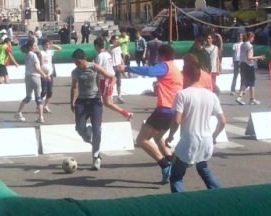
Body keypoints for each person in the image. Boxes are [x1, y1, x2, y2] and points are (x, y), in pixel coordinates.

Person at [166, 62, 227, 193]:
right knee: (203, 169)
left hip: (188, 141)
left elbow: (176, 120)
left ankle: (180, 204)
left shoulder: (182, 95)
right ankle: (220, 196)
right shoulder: (211, 95)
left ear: (185, 76)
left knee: (176, 176)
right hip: (206, 140)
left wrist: (170, 136)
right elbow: (222, 121)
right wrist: (214, 136)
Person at [126, 44, 180, 185]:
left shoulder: (165, 66)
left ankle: (164, 165)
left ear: (162, 55)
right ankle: (171, 160)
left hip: (164, 110)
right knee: (157, 137)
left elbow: (149, 71)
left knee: (141, 140)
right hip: (173, 111)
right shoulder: (175, 68)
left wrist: (127, 68)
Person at [70, 48, 115, 171]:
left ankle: (96, 158)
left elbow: (111, 76)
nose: (77, 65)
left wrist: (111, 85)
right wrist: (71, 102)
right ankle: (87, 133)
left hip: (95, 101)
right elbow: (74, 87)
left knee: (97, 130)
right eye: (75, 63)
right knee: (80, 128)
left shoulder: (94, 67)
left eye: (79, 62)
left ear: (84, 59)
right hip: (81, 102)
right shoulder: (75, 72)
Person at [94, 37, 131, 121]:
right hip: (109, 78)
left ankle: (126, 114)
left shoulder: (100, 56)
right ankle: (99, 117)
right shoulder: (107, 54)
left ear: (96, 46)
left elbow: (98, 68)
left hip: (105, 79)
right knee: (102, 100)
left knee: (107, 102)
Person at [14, 39, 50, 123]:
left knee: (28, 97)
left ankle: (18, 112)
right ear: (30, 47)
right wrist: (44, 75)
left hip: (28, 77)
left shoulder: (27, 55)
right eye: (34, 46)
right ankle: (40, 117)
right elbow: (37, 68)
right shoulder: (33, 55)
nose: (36, 47)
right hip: (35, 77)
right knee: (38, 97)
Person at [235, 31, 265, 105]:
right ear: (250, 37)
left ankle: (248, 98)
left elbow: (244, 56)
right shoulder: (249, 46)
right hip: (248, 65)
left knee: (247, 82)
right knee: (251, 81)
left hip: (242, 64)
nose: (253, 39)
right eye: (253, 37)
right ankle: (248, 98)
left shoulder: (242, 45)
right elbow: (248, 57)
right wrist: (259, 57)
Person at [39, 39, 62, 114]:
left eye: (48, 44)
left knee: (50, 91)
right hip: (44, 73)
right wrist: (45, 75)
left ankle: (46, 105)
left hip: (50, 73)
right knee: (44, 90)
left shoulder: (50, 51)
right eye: (46, 44)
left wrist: (53, 44)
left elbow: (60, 48)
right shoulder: (41, 53)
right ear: (43, 45)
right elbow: (42, 64)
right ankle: (39, 105)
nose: (47, 46)